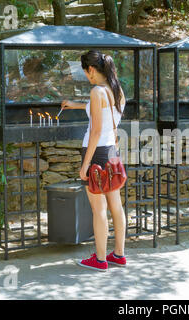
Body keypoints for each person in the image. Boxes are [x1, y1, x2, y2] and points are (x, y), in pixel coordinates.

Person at [61, 50, 126, 271]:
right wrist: (75, 104)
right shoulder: (116, 90)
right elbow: (104, 112)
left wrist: (85, 165)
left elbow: (96, 131)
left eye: (86, 73)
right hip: (111, 152)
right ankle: (119, 254)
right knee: (116, 206)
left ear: (91, 69)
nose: (87, 77)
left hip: (97, 153)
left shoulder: (96, 91)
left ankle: (99, 260)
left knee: (99, 209)